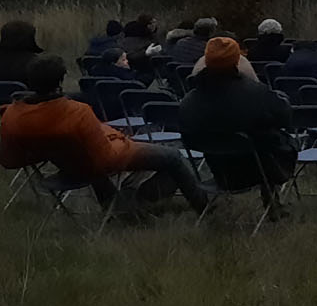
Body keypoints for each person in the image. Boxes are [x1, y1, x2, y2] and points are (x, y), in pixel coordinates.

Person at [1, 52, 211, 215]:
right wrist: (120, 140)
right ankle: (195, 206)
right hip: (99, 161)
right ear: (60, 81)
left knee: (84, 157)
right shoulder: (76, 112)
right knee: (173, 157)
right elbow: (103, 159)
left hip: (68, 163)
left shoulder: (13, 115)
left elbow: (9, 159)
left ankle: (121, 205)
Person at [179, 37, 295, 216]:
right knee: (272, 140)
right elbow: (285, 118)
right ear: (236, 60)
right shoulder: (255, 94)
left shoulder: (188, 102)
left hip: (219, 173)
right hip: (260, 170)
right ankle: (273, 205)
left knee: (260, 139)